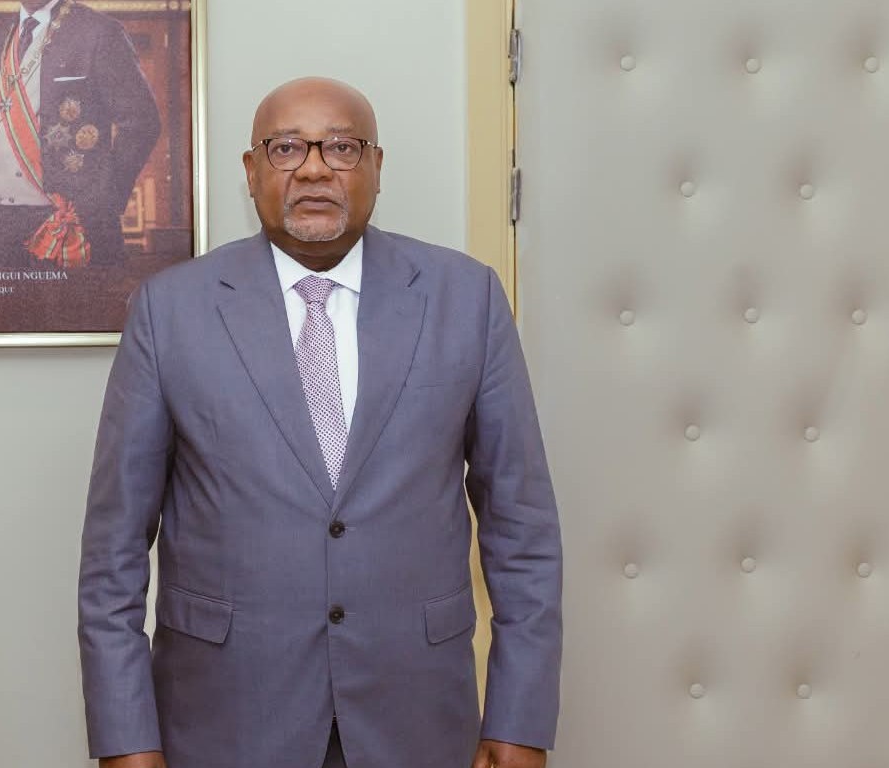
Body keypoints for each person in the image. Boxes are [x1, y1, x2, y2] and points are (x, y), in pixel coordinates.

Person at [77, 77, 563, 768]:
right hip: (226, 718)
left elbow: (522, 530)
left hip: (416, 716)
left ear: (376, 166)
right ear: (251, 171)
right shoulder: (170, 311)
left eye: (341, 147)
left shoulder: (466, 298)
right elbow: (113, 550)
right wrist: (126, 739)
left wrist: (520, 721)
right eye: (286, 148)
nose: (313, 168)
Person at [0, 0, 160, 269]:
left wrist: (103, 199)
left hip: (71, 215)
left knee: (80, 299)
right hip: (2, 218)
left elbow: (142, 122)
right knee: (10, 299)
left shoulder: (98, 32)